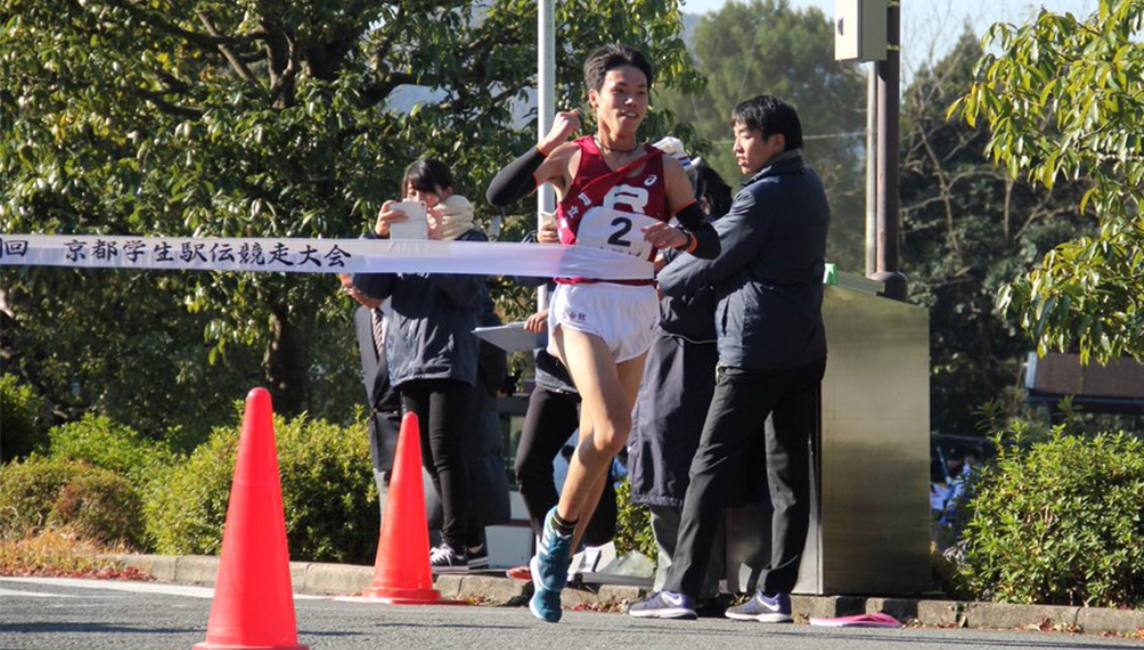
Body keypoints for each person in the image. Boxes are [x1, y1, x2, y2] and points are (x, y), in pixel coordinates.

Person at [487, 44, 719, 622]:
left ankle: (554, 568)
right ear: (594, 99)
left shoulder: (664, 168)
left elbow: (708, 239)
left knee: (602, 441)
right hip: (580, 304)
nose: (633, 104)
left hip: (638, 311)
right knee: (613, 426)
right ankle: (557, 541)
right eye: (620, 93)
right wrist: (546, 141)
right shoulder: (570, 157)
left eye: (641, 93)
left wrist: (681, 240)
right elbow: (498, 195)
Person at [628, 95, 830, 621]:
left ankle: (679, 590)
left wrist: (659, 278)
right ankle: (775, 593)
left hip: (754, 351)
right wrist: (688, 237)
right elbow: (721, 240)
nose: (737, 146)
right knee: (788, 473)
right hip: (804, 349)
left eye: (746, 135)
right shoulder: (809, 187)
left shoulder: (762, 197)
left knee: (707, 464)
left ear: (776, 142)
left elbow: (715, 254)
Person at [352, 158, 487, 573]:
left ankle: (455, 544)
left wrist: (433, 247)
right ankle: (469, 540)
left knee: (446, 451)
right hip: (407, 361)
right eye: (410, 192)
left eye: (425, 191)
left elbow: (467, 294)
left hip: (449, 358)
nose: (417, 200)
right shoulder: (399, 242)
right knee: (428, 456)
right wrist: (378, 238)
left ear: (446, 192)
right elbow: (369, 288)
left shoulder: (470, 237)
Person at [627, 163, 736, 609]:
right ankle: (678, 583)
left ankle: (687, 586)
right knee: (667, 477)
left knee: (676, 479)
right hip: (666, 369)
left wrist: (660, 270)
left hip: (685, 372)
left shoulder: (705, 246)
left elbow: (684, 308)